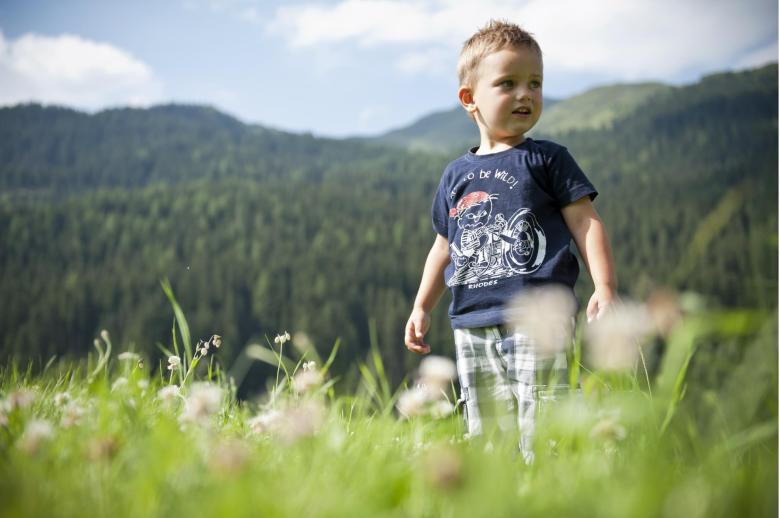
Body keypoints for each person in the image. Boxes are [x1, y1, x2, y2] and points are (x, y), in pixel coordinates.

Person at [403, 19, 617, 461]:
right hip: (470, 322)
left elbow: (586, 222)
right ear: (470, 100)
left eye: (535, 83)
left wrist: (605, 286)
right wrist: (422, 305)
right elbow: (444, 246)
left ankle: (552, 495)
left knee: (546, 426)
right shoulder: (455, 176)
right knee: (488, 435)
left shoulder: (547, 159)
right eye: (508, 83)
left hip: (537, 317)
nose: (526, 94)